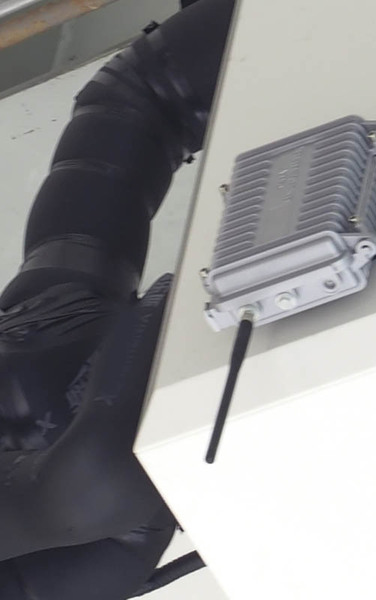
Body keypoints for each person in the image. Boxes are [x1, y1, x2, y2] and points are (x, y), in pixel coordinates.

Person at [0, 0, 235, 597]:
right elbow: (93, 490)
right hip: (123, 467)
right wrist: (184, 302)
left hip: (47, 329)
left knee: (142, 91)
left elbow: (143, 98)